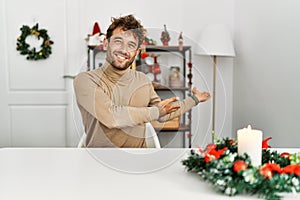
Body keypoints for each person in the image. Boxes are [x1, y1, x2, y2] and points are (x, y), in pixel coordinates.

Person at [74, 14, 211, 148]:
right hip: (100, 161)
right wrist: (155, 112)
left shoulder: (142, 80)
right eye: (118, 41)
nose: (124, 50)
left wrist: (194, 99)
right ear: (105, 43)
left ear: (137, 52)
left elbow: (163, 114)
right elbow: (111, 117)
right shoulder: (85, 80)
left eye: (131, 45)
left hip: (139, 161)